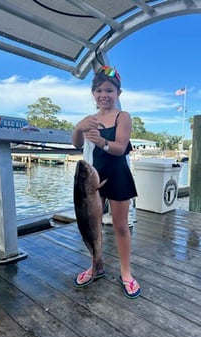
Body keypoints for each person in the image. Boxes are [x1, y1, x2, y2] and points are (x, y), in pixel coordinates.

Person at [72, 66, 140, 299]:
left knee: (121, 226)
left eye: (109, 90)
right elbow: (75, 143)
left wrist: (101, 141)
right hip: (91, 179)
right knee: (92, 225)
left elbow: (120, 148)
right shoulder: (89, 119)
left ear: (118, 93)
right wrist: (79, 127)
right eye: (99, 90)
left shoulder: (123, 116)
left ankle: (126, 273)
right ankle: (95, 265)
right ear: (93, 93)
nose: (104, 95)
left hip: (118, 175)